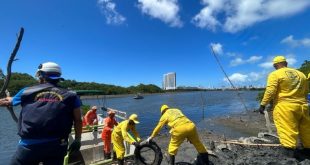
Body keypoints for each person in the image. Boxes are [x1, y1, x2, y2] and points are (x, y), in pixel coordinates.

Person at [0, 62, 82, 165]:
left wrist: (6, 100)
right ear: (58, 77)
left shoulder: (26, 92)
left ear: (41, 75)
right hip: (58, 145)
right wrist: (78, 139)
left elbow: (7, 102)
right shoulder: (72, 95)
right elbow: (78, 120)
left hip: (29, 146)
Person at [259, 56, 310, 159]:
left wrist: (263, 104)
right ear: (286, 63)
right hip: (303, 106)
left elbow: (270, 91)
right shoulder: (301, 74)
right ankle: (308, 152)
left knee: (286, 130)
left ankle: (289, 156)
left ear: (275, 65)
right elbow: (305, 91)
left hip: (285, 107)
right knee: (306, 130)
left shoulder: (275, 74)